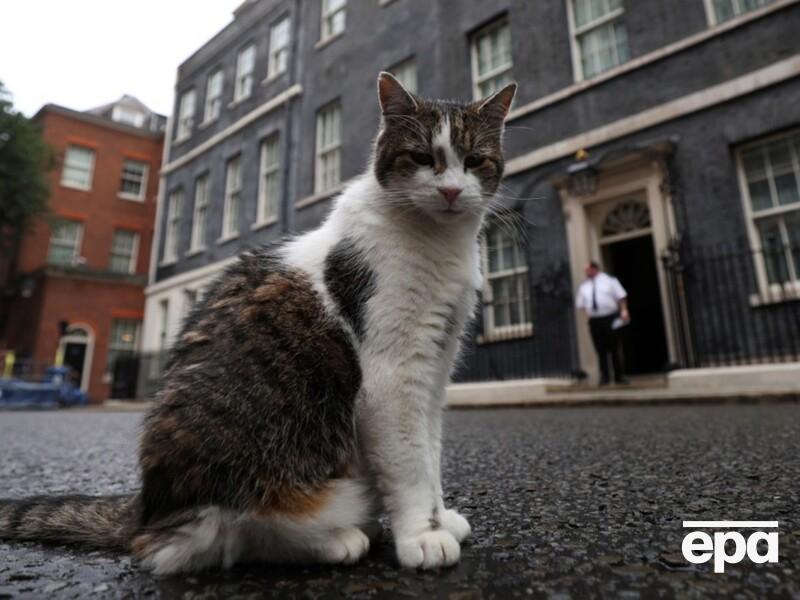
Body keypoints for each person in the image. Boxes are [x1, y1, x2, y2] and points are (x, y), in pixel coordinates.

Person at [575, 261, 630, 385]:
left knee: (614, 348)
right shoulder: (584, 286)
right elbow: (581, 304)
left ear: (595, 269)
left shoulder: (610, 281)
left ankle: (618, 376)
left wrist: (624, 310)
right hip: (595, 321)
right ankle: (604, 376)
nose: (586, 272)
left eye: (587, 270)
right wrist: (588, 314)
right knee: (600, 350)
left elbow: (621, 296)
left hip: (610, 318)